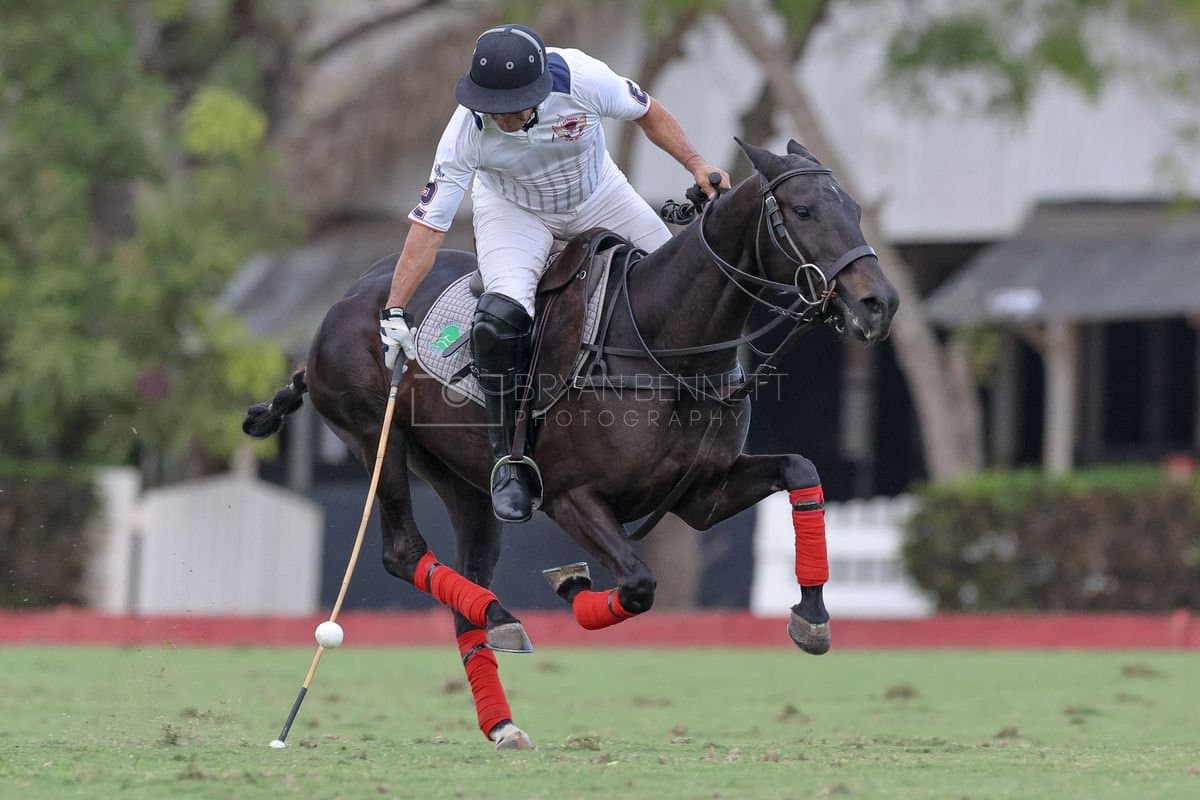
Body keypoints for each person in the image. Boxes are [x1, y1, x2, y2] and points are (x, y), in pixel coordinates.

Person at [379, 23, 730, 524]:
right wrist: (394, 308)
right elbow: (428, 228)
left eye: (513, 103)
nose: (501, 115)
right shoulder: (464, 134)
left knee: (683, 287)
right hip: (514, 212)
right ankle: (509, 461)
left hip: (598, 194)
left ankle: (705, 413)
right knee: (499, 320)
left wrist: (696, 163)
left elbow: (648, 111)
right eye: (491, 104)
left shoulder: (583, 77)